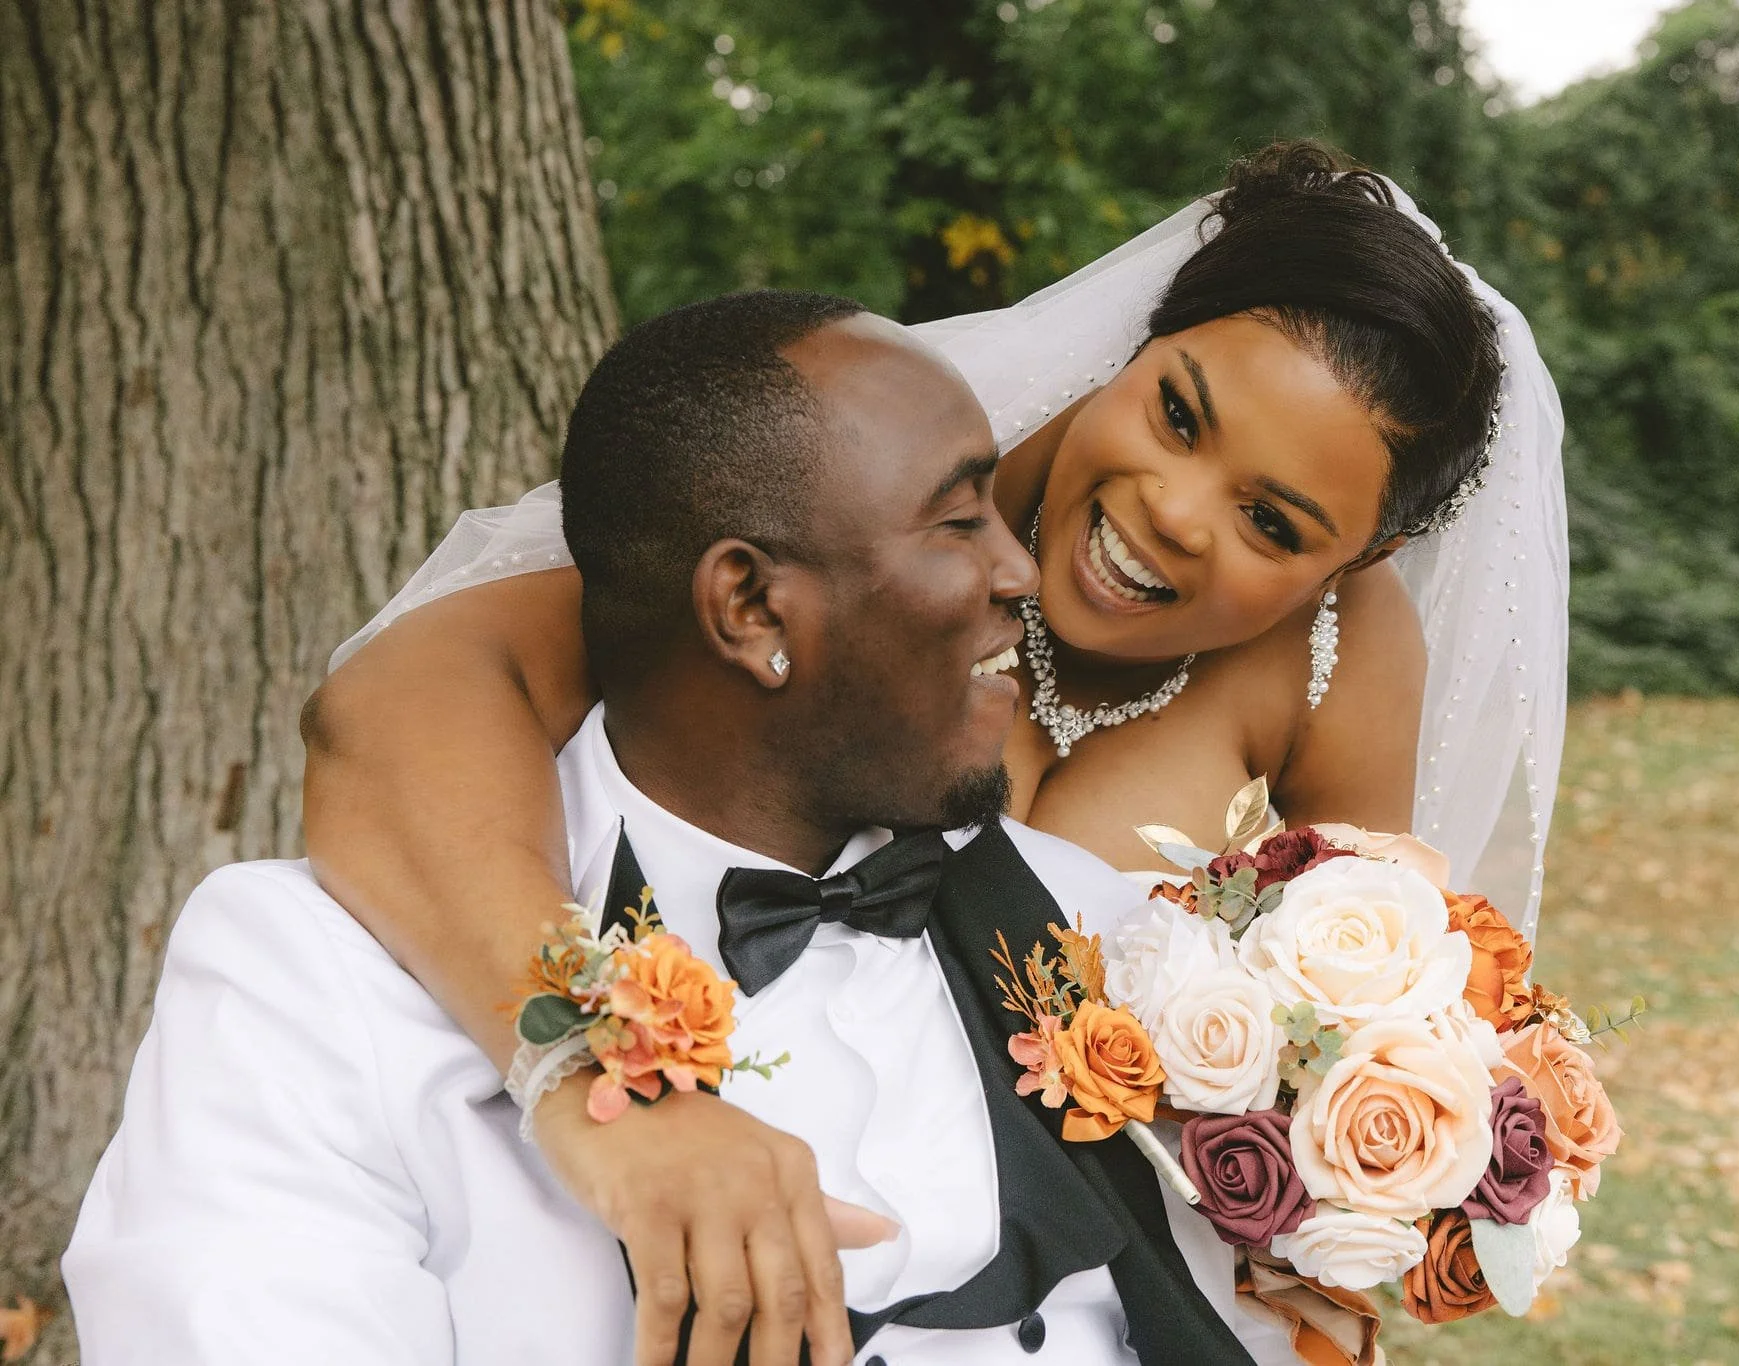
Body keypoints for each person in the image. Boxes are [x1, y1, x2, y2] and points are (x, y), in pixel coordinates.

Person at [301, 142, 1567, 1363]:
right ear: (1137, 346)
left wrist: (1345, 1201)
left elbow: (1351, 1025)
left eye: (1270, 522)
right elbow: (399, 699)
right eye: (1175, 412)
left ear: (1354, 562)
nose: (1171, 513)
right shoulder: (877, 492)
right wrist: (578, 1067)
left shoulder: (1335, 654)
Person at [65, 292, 1286, 1366]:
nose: (1021, 572)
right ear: (751, 601)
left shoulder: (1110, 936)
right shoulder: (311, 982)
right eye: (958, 521)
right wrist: (577, 1063)